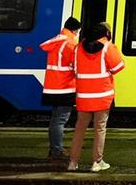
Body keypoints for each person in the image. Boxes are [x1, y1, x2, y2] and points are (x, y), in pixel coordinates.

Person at [68, 22, 125, 172]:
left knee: (80, 129)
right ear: (105, 34)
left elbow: (73, 68)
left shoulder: (78, 48)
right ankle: (96, 162)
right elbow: (118, 67)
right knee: (100, 129)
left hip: (83, 97)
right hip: (102, 96)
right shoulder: (107, 47)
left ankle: (73, 162)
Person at [39, 17, 81, 161]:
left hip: (52, 86)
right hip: (65, 87)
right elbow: (76, 67)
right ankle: (57, 150)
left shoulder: (56, 41)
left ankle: (55, 148)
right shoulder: (70, 44)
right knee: (60, 120)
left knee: (55, 119)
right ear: (75, 30)